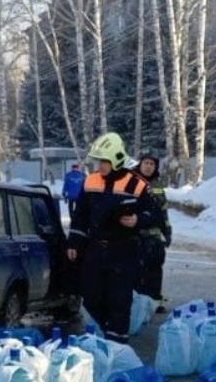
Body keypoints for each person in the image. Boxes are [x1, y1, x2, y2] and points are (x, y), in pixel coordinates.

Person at [67, 132, 159, 343]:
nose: (101, 166)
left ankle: (117, 342)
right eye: (98, 161)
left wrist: (137, 220)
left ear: (117, 159)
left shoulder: (137, 184)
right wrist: (74, 242)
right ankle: (107, 328)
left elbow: (155, 216)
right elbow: (80, 215)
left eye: (105, 161)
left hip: (124, 250)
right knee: (90, 294)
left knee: (119, 298)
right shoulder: (90, 181)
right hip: (95, 248)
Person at [134, 151, 172, 312]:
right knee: (137, 270)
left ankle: (155, 301)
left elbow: (163, 210)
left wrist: (167, 231)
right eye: (146, 163)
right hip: (136, 234)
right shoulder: (132, 181)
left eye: (152, 164)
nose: (149, 167)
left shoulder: (157, 185)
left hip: (154, 235)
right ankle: (138, 301)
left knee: (155, 268)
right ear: (140, 164)